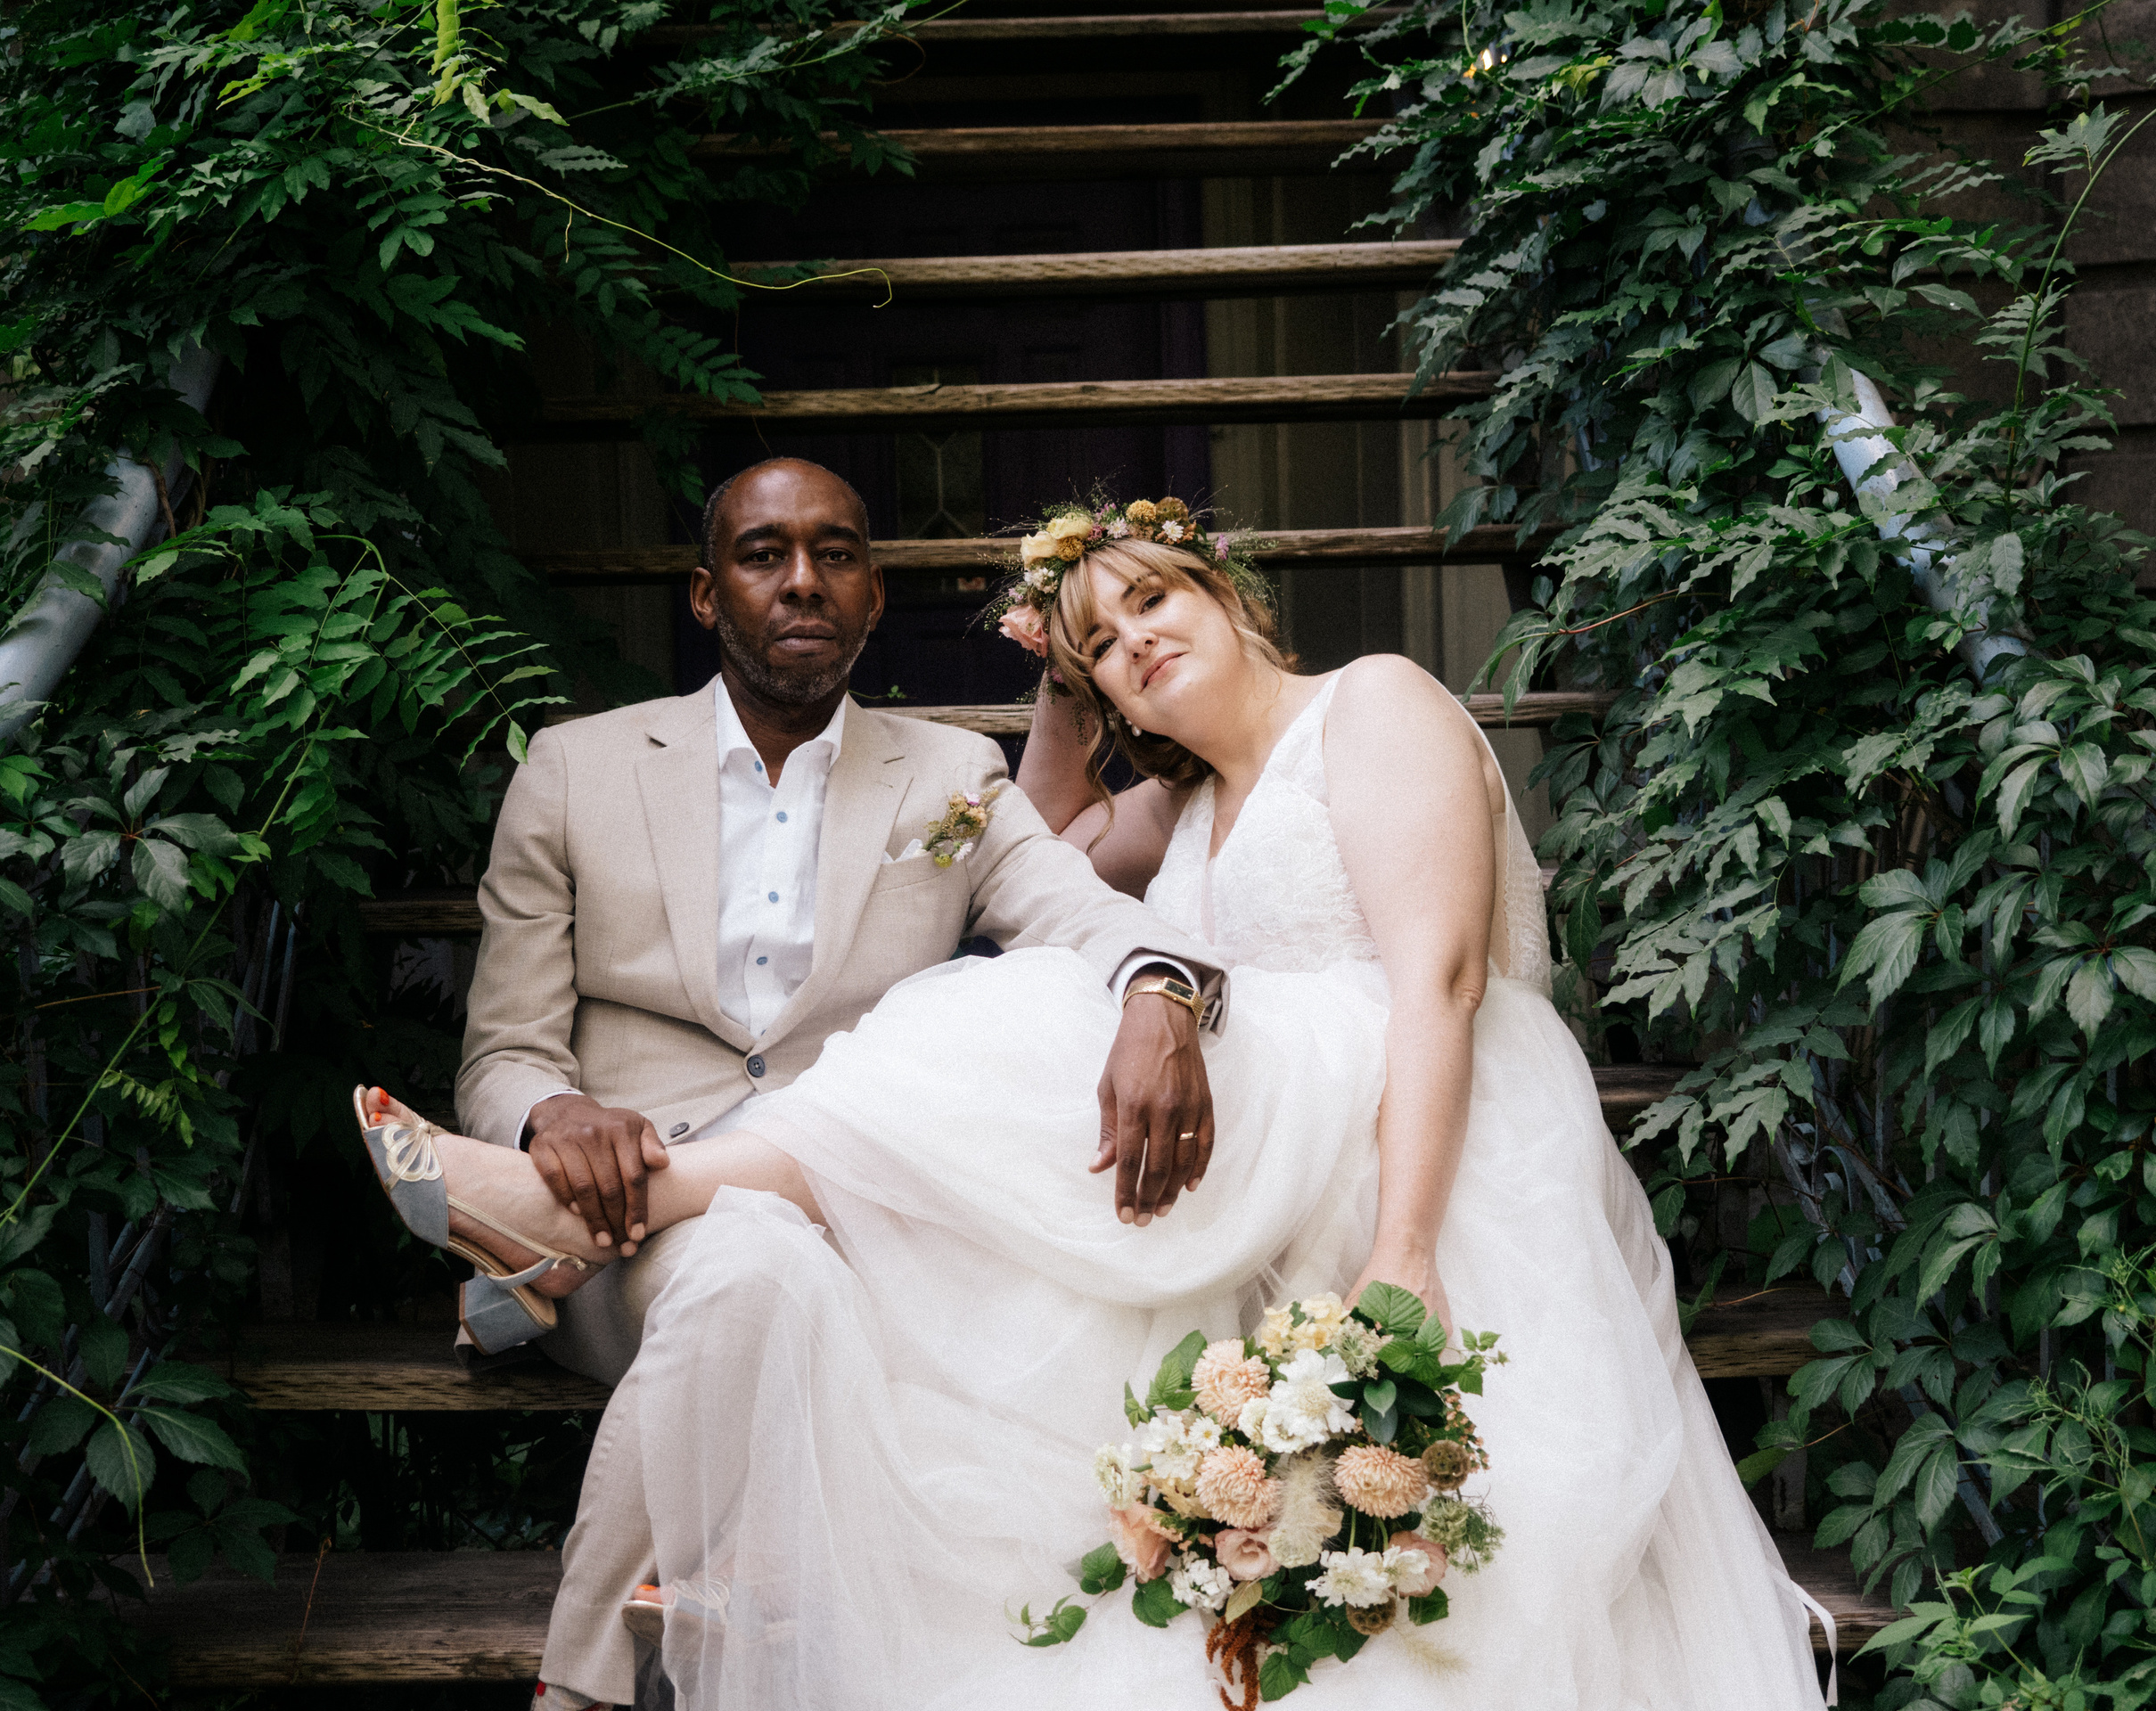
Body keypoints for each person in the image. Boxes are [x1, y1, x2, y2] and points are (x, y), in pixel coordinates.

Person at [365, 495, 1829, 1709]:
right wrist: (1064, 683)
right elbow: (1050, 849)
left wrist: (1407, 1251)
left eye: (1155, 611)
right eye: (1110, 652)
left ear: (1226, 589)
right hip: (1268, 1165)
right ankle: (606, 1268)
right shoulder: (1182, 808)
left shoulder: (1371, 706)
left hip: (1413, 1142)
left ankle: (570, 1216)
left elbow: (1436, 993)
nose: (1139, 650)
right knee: (1052, 1005)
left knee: (1026, 1017)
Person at [374, 458, 1226, 1705]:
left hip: (848, 1228)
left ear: (875, 598)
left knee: (760, 1257)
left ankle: (577, 1689)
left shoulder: (951, 777)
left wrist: (1162, 990)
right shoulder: (574, 767)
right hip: (619, 1221)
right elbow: (505, 1049)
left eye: (834, 555)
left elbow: (1083, 923)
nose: (801, 582)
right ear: (707, 596)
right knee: (742, 1260)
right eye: (764, 555)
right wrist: (552, 1117)